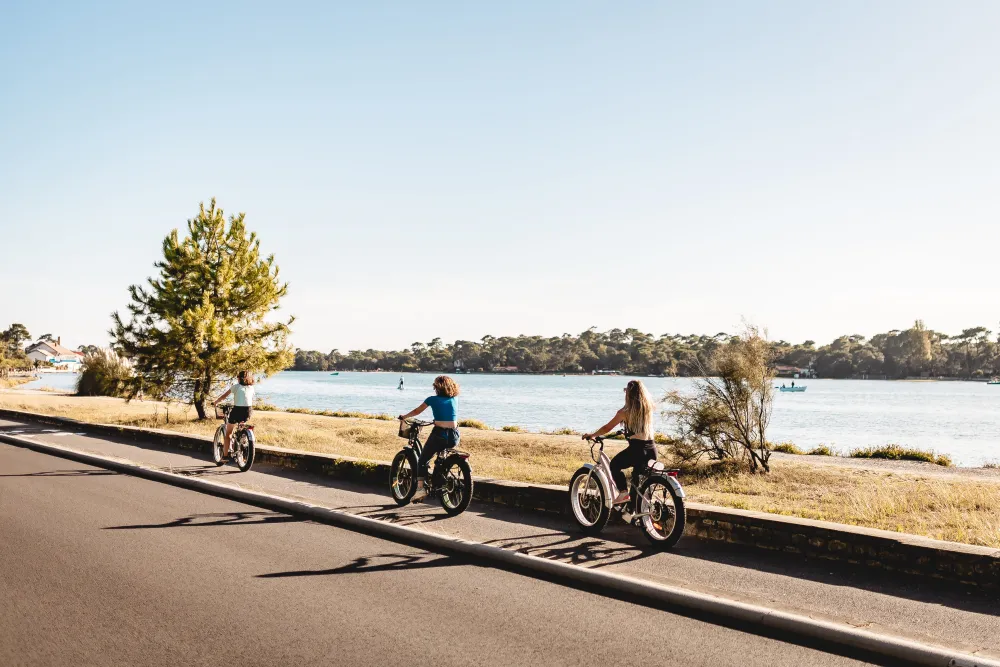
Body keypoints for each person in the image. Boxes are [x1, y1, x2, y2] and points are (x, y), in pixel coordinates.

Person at [582, 379, 657, 504]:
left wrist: (593, 435)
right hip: (651, 449)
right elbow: (639, 427)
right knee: (637, 482)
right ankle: (635, 511)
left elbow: (607, 428)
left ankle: (623, 493)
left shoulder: (624, 412)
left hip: (637, 450)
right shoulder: (648, 408)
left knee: (615, 465)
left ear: (628, 394)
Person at [397, 375, 460, 500]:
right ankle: (439, 476)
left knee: (422, 461)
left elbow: (416, 411)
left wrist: (404, 416)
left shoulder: (432, 399)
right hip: (454, 435)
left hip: (439, 434)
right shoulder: (455, 398)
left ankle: (420, 490)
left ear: (436, 387)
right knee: (441, 455)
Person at [212, 370, 255, 458]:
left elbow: (224, 396)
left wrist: (216, 402)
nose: (237, 379)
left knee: (228, 434)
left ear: (240, 378)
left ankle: (224, 456)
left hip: (237, 411)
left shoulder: (236, 387)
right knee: (241, 425)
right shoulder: (252, 388)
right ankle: (242, 440)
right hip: (248, 411)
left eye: (238, 377)